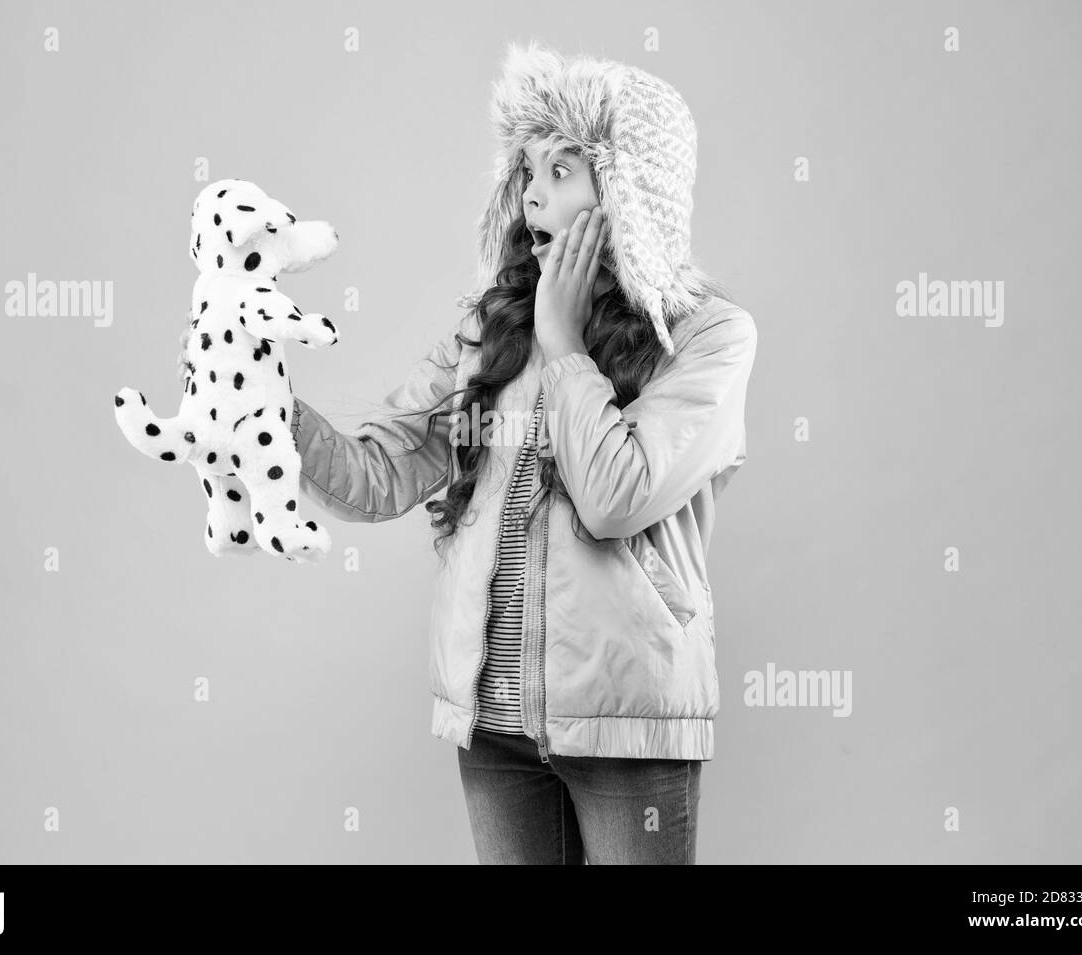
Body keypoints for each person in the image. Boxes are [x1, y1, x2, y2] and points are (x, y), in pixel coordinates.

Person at [280, 42, 755, 864]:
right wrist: (262, 406)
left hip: (628, 728)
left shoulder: (709, 338)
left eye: (563, 168)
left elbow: (614, 496)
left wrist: (565, 344)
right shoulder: (494, 328)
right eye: (527, 168)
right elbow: (379, 471)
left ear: (631, 192)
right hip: (492, 727)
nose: (532, 191)